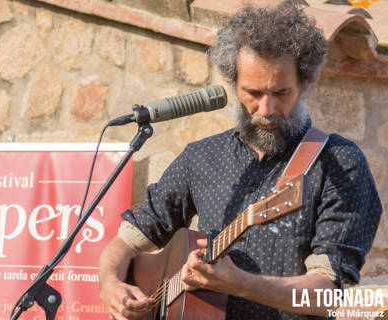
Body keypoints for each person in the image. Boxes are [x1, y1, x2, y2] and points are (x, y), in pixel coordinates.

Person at [98, 1, 383, 319]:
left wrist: (243, 284)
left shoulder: (339, 164)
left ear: (304, 84)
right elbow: (125, 241)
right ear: (233, 84)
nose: (267, 109)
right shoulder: (201, 157)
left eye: (282, 92)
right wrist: (110, 284)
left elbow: (328, 296)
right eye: (254, 92)